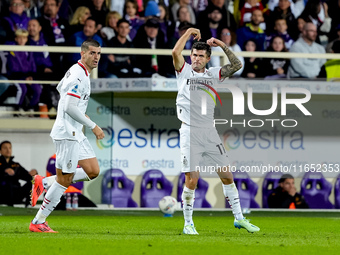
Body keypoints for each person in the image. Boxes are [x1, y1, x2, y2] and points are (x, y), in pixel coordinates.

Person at [172, 28, 260, 235]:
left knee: (227, 175)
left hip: (209, 132)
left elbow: (237, 65)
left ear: (208, 58)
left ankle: (239, 218)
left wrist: (222, 45)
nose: (196, 59)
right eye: (194, 55)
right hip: (189, 132)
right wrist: (188, 33)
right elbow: (176, 53)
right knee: (192, 179)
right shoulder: (184, 71)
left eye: (201, 56)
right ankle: (188, 223)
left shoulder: (214, 74)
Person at [29, 39, 105, 233]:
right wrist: (92, 125)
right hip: (67, 133)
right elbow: (70, 106)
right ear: (83, 53)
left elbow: (61, 89)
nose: (96, 57)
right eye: (92, 53)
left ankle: (44, 182)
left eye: (98, 53)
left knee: (92, 171)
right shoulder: (79, 76)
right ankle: (38, 222)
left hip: (75, 131)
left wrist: (79, 112)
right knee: (65, 180)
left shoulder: (77, 71)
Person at [0, 140, 37, 207]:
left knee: (33, 182)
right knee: (8, 182)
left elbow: (27, 176)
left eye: (10, 148)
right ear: (0, 151)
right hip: (2, 194)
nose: (8, 150)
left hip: (16, 193)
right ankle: (10, 205)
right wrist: (4, 171)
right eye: (5, 148)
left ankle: (28, 207)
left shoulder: (16, 165)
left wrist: (34, 173)